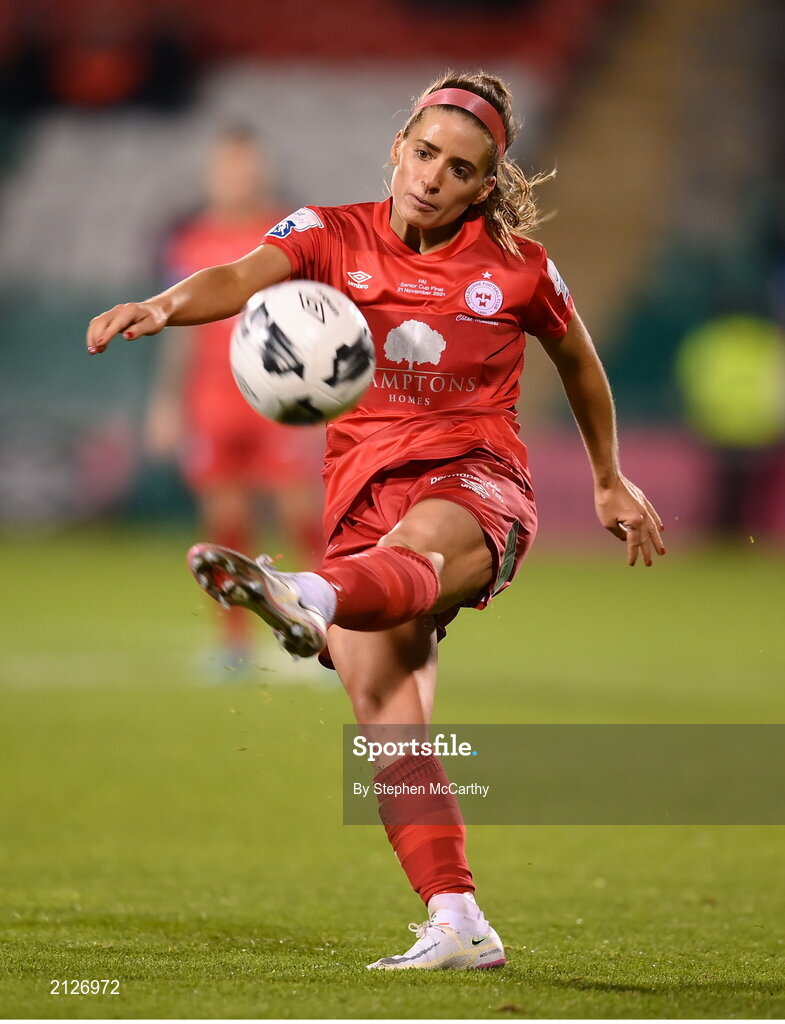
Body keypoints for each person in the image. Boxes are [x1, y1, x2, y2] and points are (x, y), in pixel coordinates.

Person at [87, 71, 665, 970]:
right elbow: (241, 276)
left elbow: (579, 364)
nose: (433, 177)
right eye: (424, 153)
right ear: (398, 146)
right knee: (389, 721)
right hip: (362, 501)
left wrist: (607, 478)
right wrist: (164, 306)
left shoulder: (516, 268)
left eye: (459, 168)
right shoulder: (327, 233)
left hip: (476, 484)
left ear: (484, 185)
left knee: (420, 553)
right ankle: (458, 919)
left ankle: (300, 590)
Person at [144, 126, 324, 670]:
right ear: (212, 174)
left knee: (301, 514)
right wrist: (166, 402)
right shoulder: (190, 240)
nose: (236, 177)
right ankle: (234, 644)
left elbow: (317, 315)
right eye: (226, 168)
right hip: (212, 400)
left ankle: (328, 629)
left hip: (278, 399)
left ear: (261, 171)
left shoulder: (289, 236)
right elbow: (178, 329)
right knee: (225, 521)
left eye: (245, 167)